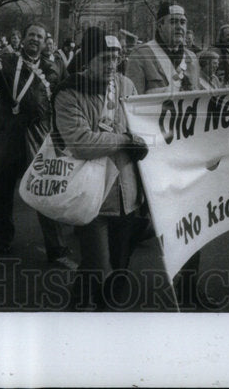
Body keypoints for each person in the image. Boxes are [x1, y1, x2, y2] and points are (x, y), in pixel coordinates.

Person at [125, 1, 218, 310]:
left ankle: (189, 285)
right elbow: (130, 103)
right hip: (151, 151)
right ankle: (115, 279)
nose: (179, 27)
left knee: (192, 217)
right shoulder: (140, 56)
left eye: (183, 21)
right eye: (173, 21)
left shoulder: (191, 58)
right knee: (139, 218)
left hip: (183, 150)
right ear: (160, 26)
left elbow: (197, 103)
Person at [54, 27, 147, 309]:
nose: (111, 65)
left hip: (127, 195)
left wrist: (140, 141)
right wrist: (127, 141)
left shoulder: (127, 86)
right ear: (88, 59)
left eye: (116, 57)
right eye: (105, 58)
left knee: (118, 266)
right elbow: (81, 142)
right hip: (92, 197)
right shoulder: (68, 92)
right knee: (101, 267)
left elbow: (142, 128)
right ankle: (102, 323)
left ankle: (77, 307)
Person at [0, 23, 74, 264]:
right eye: (31, 35)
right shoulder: (6, 62)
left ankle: (56, 247)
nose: (34, 39)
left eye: (39, 36)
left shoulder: (53, 67)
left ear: (45, 42)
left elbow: (63, 98)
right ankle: (4, 239)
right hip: (7, 136)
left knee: (45, 190)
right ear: (22, 39)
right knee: (3, 192)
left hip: (39, 135)